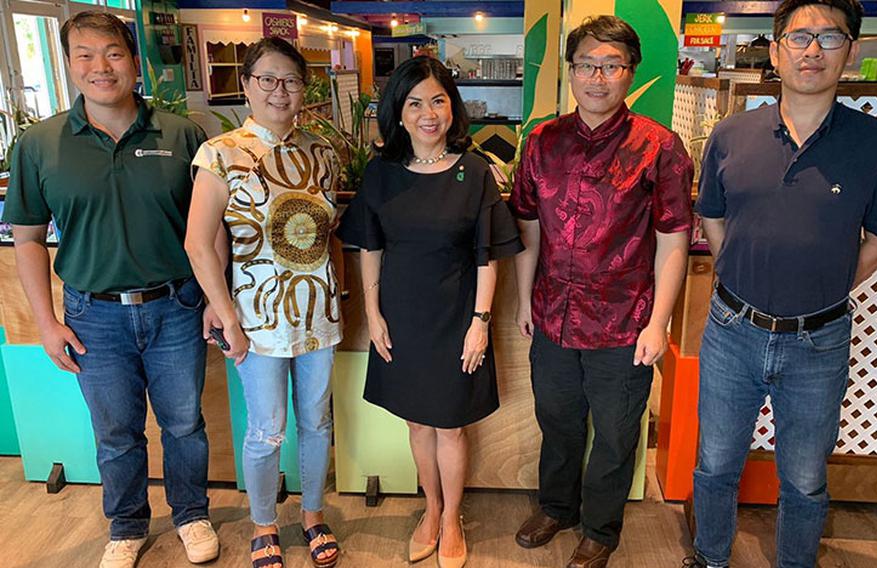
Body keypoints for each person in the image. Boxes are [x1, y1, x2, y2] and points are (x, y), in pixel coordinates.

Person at [687, 1, 877, 567]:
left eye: (830, 38)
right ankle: (711, 557)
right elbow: (713, 220)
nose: (813, 50)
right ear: (777, 48)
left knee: (806, 478)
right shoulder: (732, 134)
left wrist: (829, 282)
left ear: (852, 51)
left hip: (821, 339)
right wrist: (744, 267)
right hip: (731, 329)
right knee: (715, 463)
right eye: (800, 37)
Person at [0, 12, 219, 568]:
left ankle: (192, 514)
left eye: (113, 53)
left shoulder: (182, 133)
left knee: (184, 422)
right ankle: (126, 525)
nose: (101, 66)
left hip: (176, 306)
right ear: (69, 65)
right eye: (85, 55)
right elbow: (27, 238)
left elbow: (212, 227)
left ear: (134, 60)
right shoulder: (40, 144)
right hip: (92, 315)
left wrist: (218, 303)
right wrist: (47, 324)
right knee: (116, 432)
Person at [509, 15, 694, 568]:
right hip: (553, 316)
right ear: (570, 71)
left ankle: (601, 528)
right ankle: (557, 507)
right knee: (557, 420)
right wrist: (524, 301)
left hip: (625, 323)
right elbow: (528, 227)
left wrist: (659, 321)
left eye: (611, 66)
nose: (597, 76)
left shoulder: (659, 148)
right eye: (587, 64)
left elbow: (673, 240)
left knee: (615, 433)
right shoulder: (541, 141)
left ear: (629, 73)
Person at [337, 55, 523, 568]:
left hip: (457, 318)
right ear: (398, 112)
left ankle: (452, 518)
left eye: (438, 100)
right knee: (417, 424)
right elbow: (368, 246)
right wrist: (373, 314)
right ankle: (431, 509)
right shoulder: (382, 174)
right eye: (415, 102)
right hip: (402, 317)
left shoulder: (475, 171)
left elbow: (489, 255)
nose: (427, 112)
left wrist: (480, 323)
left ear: (452, 108)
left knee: (451, 427)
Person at [184, 37, 342, 568]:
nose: (280, 90)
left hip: (318, 311)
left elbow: (327, 233)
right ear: (247, 84)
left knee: (318, 422)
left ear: (304, 89)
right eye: (268, 79)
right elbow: (199, 241)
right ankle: (264, 522)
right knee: (266, 427)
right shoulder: (220, 152)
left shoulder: (323, 152)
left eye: (291, 80)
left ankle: (314, 514)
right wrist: (224, 311)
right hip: (254, 318)